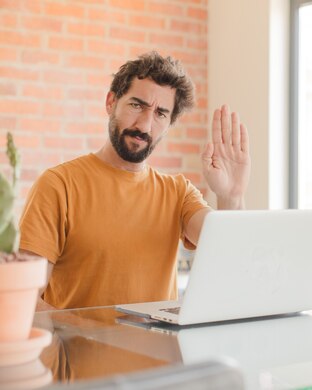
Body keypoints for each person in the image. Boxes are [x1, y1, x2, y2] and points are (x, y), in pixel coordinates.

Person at [19, 52, 251, 311]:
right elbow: (24, 299)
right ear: (111, 102)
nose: (144, 125)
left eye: (161, 113)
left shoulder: (178, 193)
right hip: (79, 351)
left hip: (161, 353)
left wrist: (231, 196)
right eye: (137, 105)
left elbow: (231, 255)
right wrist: (86, 338)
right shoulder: (58, 185)